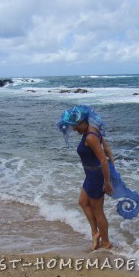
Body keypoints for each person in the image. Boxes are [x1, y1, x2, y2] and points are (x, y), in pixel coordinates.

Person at [57, 105, 114, 250]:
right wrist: (113, 165)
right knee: (82, 202)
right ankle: (95, 233)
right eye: (72, 127)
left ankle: (106, 242)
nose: (75, 129)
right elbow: (107, 149)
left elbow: (102, 160)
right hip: (91, 175)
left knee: (98, 211)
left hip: (96, 177)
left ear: (83, 121)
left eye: (76, 126)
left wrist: (108, 181)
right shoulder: (93, 131)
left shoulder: (90, 136)